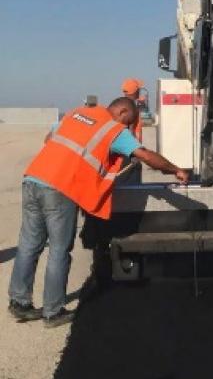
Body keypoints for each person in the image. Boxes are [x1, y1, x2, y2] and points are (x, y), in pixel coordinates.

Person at [7, 97, 189, 327]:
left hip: (33, 179)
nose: (128, 128)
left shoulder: (76, 113)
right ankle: (53, 312)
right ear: (122, 112)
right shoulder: (113, 130)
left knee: (29, 244)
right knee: (59, 249)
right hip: (60, 188)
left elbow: (49, 139)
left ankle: (19, 303)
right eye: (129, 122)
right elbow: (144, 155)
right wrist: (175, 170)